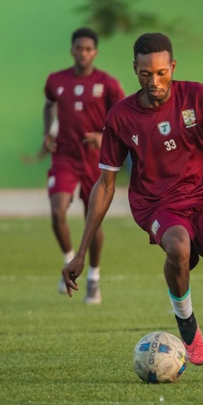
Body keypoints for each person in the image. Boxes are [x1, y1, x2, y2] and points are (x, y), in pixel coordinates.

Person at [62, 32, 203, 382]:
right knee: (178, 246)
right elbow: (105, 185)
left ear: (172, 67)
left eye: (162, 72)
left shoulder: (200, 96)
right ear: (135, 69)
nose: (155, 81)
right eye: (146, 74)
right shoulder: (121, 117)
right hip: (156, 205)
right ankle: (186, 320)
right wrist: (81, 251)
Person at [43, 27, 125, 303]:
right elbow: (49, 104)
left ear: (95, 52)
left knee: (94, 220)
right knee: (57, 211)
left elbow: (123, 118)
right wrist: (47, 133)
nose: (83, 53)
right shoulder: (56, 80)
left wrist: (103, 137)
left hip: (95, 160)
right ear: (72, 50)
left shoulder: (109, 84)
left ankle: (94, 277)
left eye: (88, 49)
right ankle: (69, 261)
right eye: (79, 48)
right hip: (65, 156)